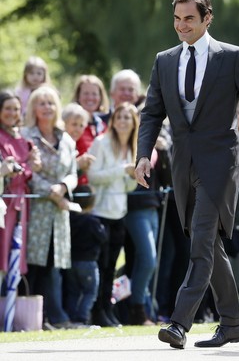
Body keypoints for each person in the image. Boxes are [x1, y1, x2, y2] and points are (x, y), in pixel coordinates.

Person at [134, 0, 239, 349]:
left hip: (221, 163)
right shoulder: (164, 60)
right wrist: (143, 153)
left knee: (203, 239)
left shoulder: (232, 57)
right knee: (207, 243)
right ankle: (233, 323)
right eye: (177, 19)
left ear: (208, 18)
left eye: (189, 18)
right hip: (182, 163)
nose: (181, 26)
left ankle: (179, 322)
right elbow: (150, 113)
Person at [21, 86, 79, 329]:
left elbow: (73, 172)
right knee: (34, 264)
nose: (47, 107)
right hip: (37, 211)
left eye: (51, 103)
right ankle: (29, 317)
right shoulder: (27, 137)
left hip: (59, 212)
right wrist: (52, 191)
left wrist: (64, 186)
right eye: (41, 103)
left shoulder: (66, 138)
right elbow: (28, 174)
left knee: (52, 265)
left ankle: (46, 318)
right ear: (33, 108)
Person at [87, 102, 138, 327]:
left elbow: (129, 187)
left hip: (119, 213)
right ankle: (96, 310)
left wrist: (131, 176)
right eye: (119, 117)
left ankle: (107, 309)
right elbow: (93, 176)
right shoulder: (101, 142)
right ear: (113, 120)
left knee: (110, 267)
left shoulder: (132, 147)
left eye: (128, 117)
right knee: (101, 264)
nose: (123, 121)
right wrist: (122, 170)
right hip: (100, 211)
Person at [0, 90, 40, 288]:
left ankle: (9, 312)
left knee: (14, 252)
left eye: (16, 109)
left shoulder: (23, 139)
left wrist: (31, 165)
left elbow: (27, 169)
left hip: (20, 201)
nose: (12, 113)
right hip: (4, 202)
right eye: (7, 108)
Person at [64, 184, 106, 324]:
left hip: (71, 261)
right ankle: (82, 318)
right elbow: (103, 237)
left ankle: (71, 317)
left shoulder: (69, 220)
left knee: (73, 291)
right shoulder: (92, 222)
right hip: (88, 262)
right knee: (90, 292)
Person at [72, 75, 109, 184]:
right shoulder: (70, 124)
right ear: (78, 96)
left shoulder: (103, 126)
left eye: (94, 94)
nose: (90, 98)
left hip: (101, 186)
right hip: (79, 187)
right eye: (86, 93)